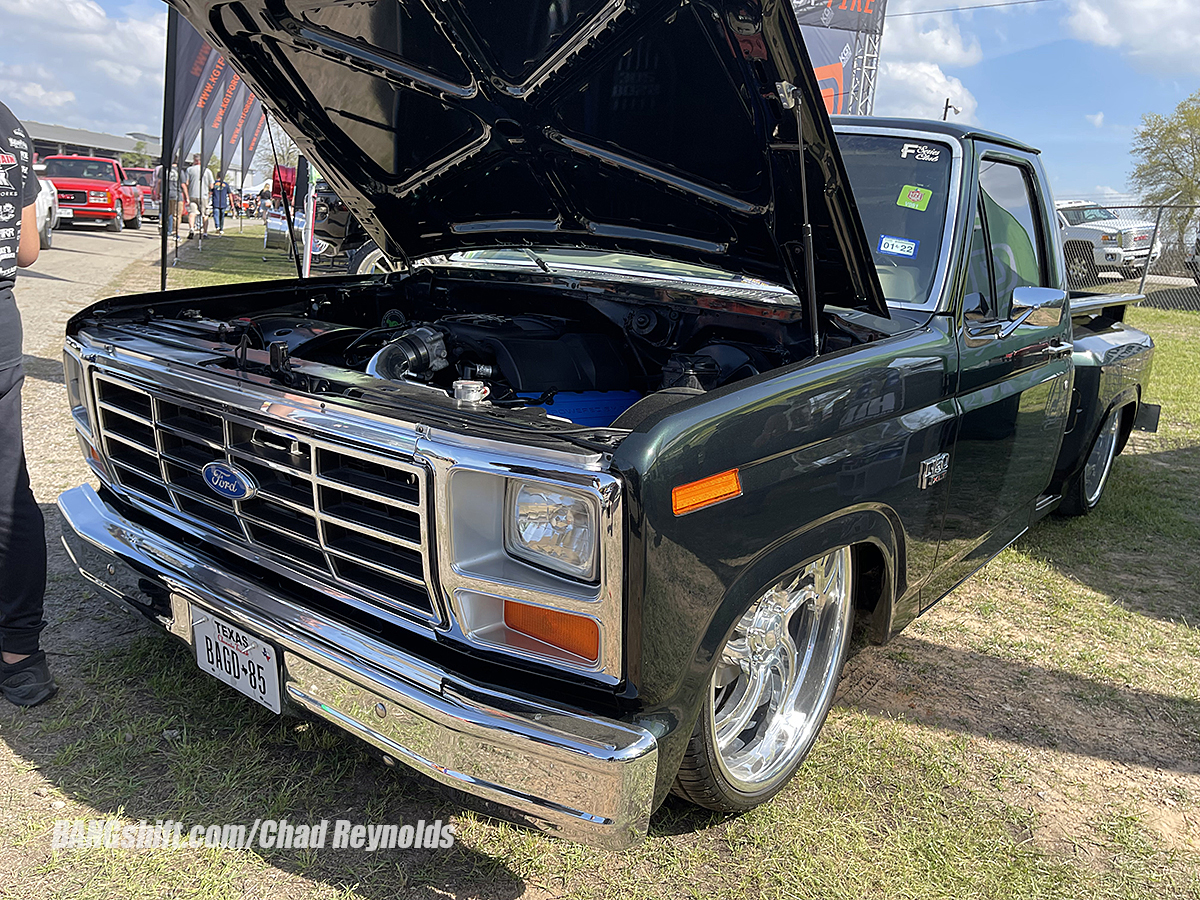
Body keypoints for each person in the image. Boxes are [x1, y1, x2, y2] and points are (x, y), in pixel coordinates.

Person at [0, 100, 55, 707]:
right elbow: (28, 250)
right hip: (1, 320)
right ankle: (20, 657)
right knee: (8, 488)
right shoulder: (10, 128)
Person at [185, 153, 214, 238]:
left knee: (192, 213)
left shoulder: (189, 170)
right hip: (204, 195)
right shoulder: (207, 171)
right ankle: (205, 233)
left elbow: (187, 183)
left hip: (192, 194)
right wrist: (209, 193)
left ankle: (191, 229)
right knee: (204, 214)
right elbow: (211, 185)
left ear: (195, 160)